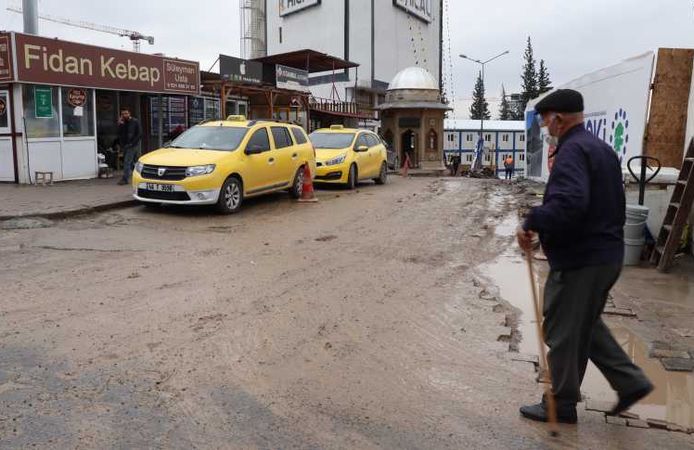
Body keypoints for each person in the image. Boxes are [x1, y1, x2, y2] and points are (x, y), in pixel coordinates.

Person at [516, 89, 653, 424]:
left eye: (547, 121)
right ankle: (630, 381)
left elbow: (569, 203)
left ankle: (560, 404)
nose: (546, 128)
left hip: (582, 260)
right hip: (606, 255)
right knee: (585, 326)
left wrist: (533, 221)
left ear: (558, 119)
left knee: (562, 330)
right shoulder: (600, 149)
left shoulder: (572, 151)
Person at [117, 107, 142, 185]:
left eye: (126, 113)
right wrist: (120, 124)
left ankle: (125, 179)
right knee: (131, 162)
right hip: (125, 145)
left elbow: (139, 133)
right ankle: (139, 175)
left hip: (132, 145)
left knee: (127, 162)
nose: (125, 115)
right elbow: (120, 134)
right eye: (123, 114)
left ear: (129, 113)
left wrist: (133, 143)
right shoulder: (123, 123)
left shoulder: (135, 121)